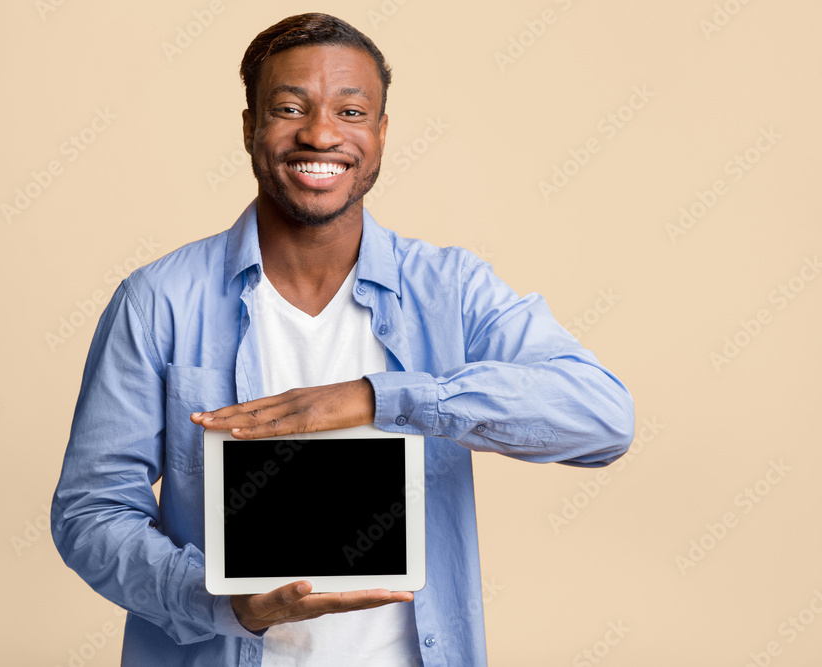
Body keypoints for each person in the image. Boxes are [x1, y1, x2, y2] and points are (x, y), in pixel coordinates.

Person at [51, 12, 634, 666]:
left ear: (381, 134)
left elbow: (603, 416)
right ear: (249, 127)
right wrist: (217, 598)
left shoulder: (453, 290)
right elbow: (90, 514)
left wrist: (380, 399)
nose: (321, 132)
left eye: (351, 112)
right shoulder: (158, 301)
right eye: (289, 107)